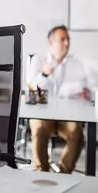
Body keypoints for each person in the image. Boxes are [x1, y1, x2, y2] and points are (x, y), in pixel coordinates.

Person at [27, 25, 88, 173]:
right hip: (43, 114)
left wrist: (84, 93)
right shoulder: (38, 60)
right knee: (38, 128)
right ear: (51, 42)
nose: (67, 43)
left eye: (68, 39)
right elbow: (31, 88)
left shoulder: (76, 64)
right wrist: (45, 74)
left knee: (76, 133)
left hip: (67, 116)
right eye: (62, 39)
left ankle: (64, 173)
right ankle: (42, 171)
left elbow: (83, 89)